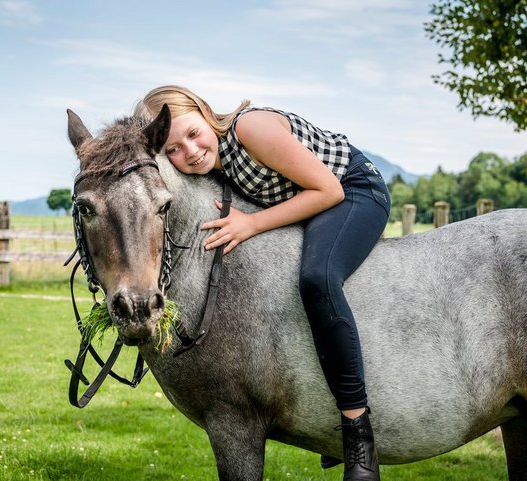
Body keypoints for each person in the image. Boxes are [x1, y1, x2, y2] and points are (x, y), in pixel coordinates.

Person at [134, 85, 390, 481]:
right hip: (316, 198)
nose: (190, 151)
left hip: (353, 189)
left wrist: (250, 223)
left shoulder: (250, 130)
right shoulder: (216, 169)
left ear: (204, 111)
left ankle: (358, 438)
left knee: (316, 278)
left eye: (191, 133)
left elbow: (328, 189)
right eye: (172, 150)